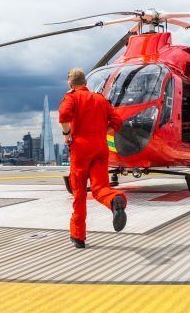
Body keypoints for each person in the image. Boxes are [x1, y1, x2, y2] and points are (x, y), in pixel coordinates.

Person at [59, 68, 127, 249]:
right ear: (85, 82)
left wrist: (67, 134)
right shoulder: (101, 99)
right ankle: (114, 200)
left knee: (79, 193)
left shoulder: (71, 97)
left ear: (70, 83)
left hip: (80, 148)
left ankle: (78, 236)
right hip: (100, 147)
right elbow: (118, 122)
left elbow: (63, 116)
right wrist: (102, 132)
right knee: (100, 188)